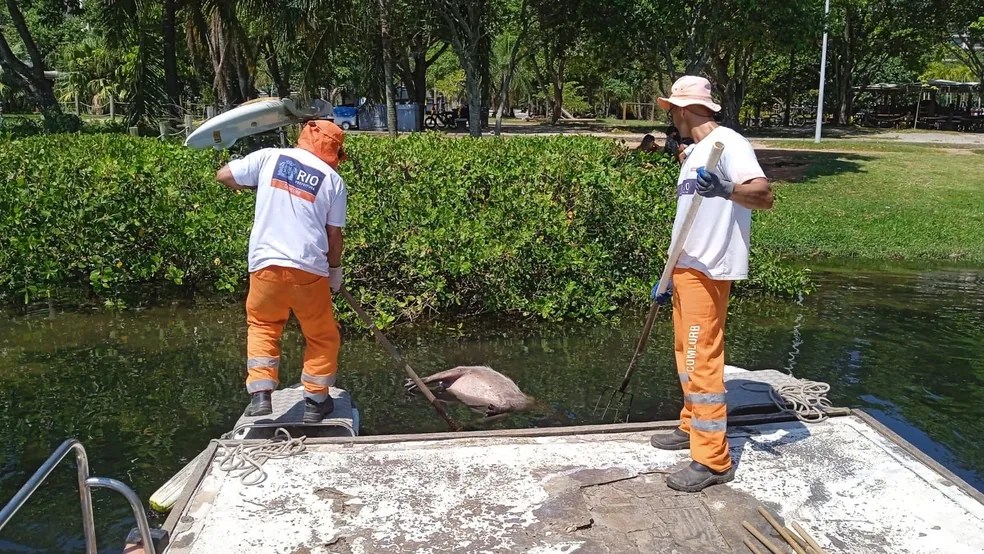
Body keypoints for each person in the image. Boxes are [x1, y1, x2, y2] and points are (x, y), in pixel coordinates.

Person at [647, 76, 774, 492]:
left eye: (671, 110)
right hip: (685, 268)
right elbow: (688, 221)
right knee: (686, 356)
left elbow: (763, 195)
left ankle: (713, 459)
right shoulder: (695, 152)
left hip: (710, 270)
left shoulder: (729, 143)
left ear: (684, 109)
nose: (670, 118)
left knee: (702, 359)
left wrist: (727, 189)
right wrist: (668, 274)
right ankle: (691, 427)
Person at [214, 120, 348, 423]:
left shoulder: (269, 157)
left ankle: (261, 396)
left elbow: (224, 175)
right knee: (322, 335)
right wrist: (335, 271)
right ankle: (315, 402)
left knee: (263, 325)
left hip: (265, 264)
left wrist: (258, 183)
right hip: (308, 268)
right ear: (334, 152)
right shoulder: (333, 180)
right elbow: (334, 235)